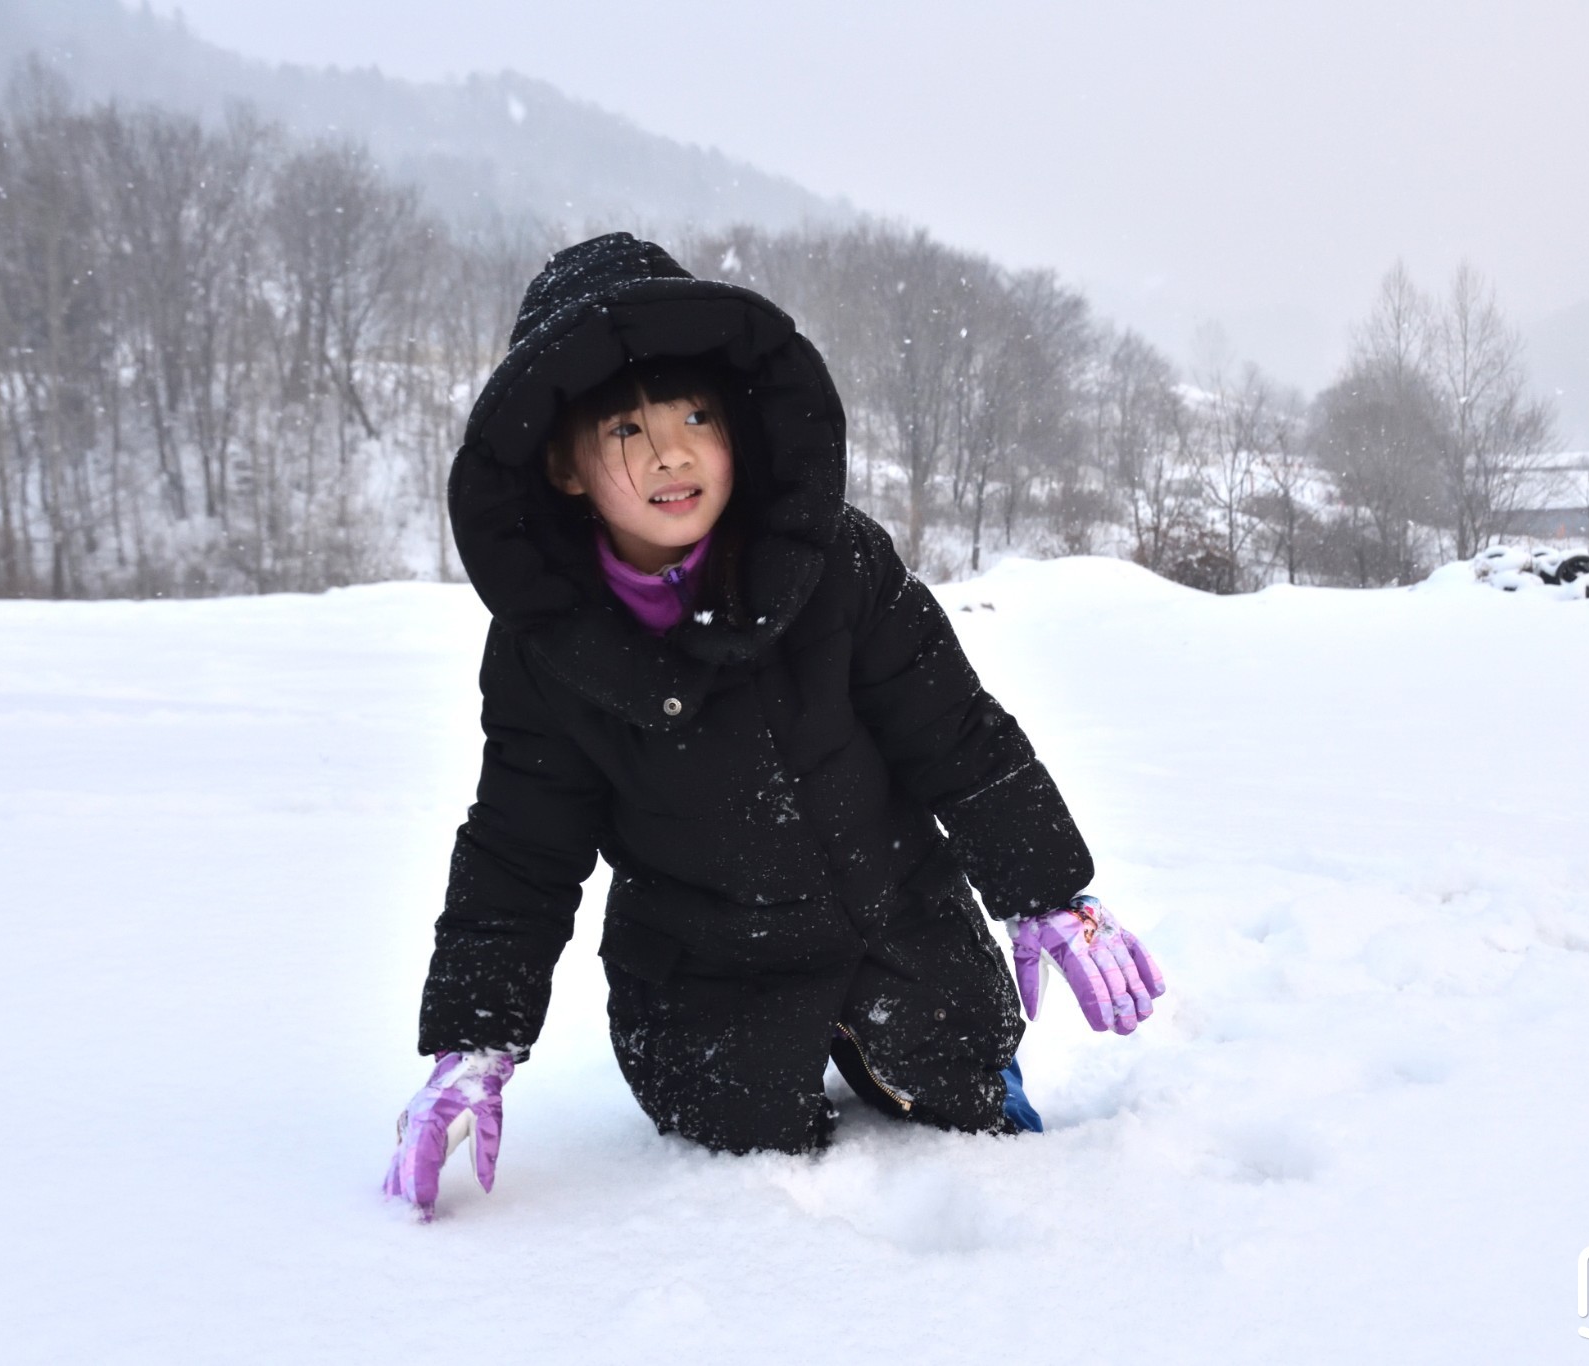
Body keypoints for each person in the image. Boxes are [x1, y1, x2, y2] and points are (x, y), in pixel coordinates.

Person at [383, 233, 1165, 1218]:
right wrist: (475, 1040)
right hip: (706, 965)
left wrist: (1049, 891)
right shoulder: (551, 647)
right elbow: (517, 855)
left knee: (959, 1071)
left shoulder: (835, 562)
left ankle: (925, 1055)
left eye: (694, 414)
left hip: (898, 920)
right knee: (738, 1127)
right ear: (564, 466)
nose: (670, 450)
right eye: (624, 428)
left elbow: (955, 735)